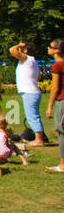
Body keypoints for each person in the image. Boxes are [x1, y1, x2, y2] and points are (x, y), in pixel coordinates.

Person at [11, 41, 47, 146]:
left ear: (26, 50)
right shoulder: (31, 61)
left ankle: (39, 140)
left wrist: (19, 45)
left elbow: (12, 50)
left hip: (30, 92)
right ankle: (38, 138)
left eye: (22, 48)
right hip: (32, 91)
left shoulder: (27, 59)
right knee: (32, 115)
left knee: (32, 116)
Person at [46, 38, 64, 174]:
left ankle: (63, 165)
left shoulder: (57, 66)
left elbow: (55, 87)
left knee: (61, 130)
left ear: (57, 50)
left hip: (62, 100)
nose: (48, 48)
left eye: (50, 46)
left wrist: (49, 106)